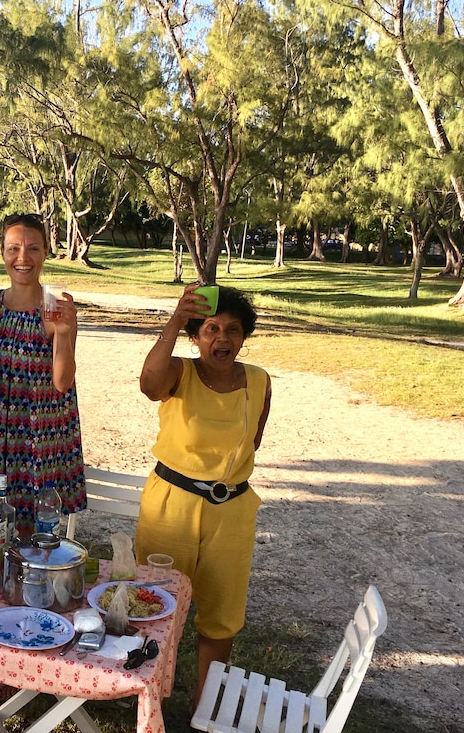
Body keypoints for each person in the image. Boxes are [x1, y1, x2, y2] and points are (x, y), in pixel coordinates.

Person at [134, 283, 272, 715]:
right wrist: (175, 320)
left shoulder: (258, 381)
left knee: (220, 616)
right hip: (172, 505)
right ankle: (146, 698)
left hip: (231, 512)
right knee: (153, 608)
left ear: (244, 336)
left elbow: (254, 440)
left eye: (233, 330)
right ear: (197, 337)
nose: (223, 339)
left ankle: (202, 710)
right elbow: (148, 384)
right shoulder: (179, 372)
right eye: (211, 329)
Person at [0, 213, 86, 535]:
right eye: (13, 248)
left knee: (33, 541)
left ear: (45, 253)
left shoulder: (56, 307)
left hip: (36, 439)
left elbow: (62, 382)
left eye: (33, 248)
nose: (22, 258)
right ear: (2, 253)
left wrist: (65, 332)